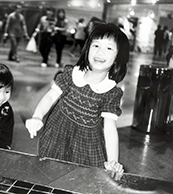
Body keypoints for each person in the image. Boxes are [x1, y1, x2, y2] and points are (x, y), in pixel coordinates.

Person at [25, 23, 129, 181]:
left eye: (109, 48)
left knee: (81, 180)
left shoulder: (110, 91)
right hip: (57, 134)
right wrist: (38, 116)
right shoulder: (72, 74)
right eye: (96, 45)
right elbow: (51, 96)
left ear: (118, 58)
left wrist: (113, 161)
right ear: (87, 48)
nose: (100, 52)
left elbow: (109, 128)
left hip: (86, 144)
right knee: (51, 174)